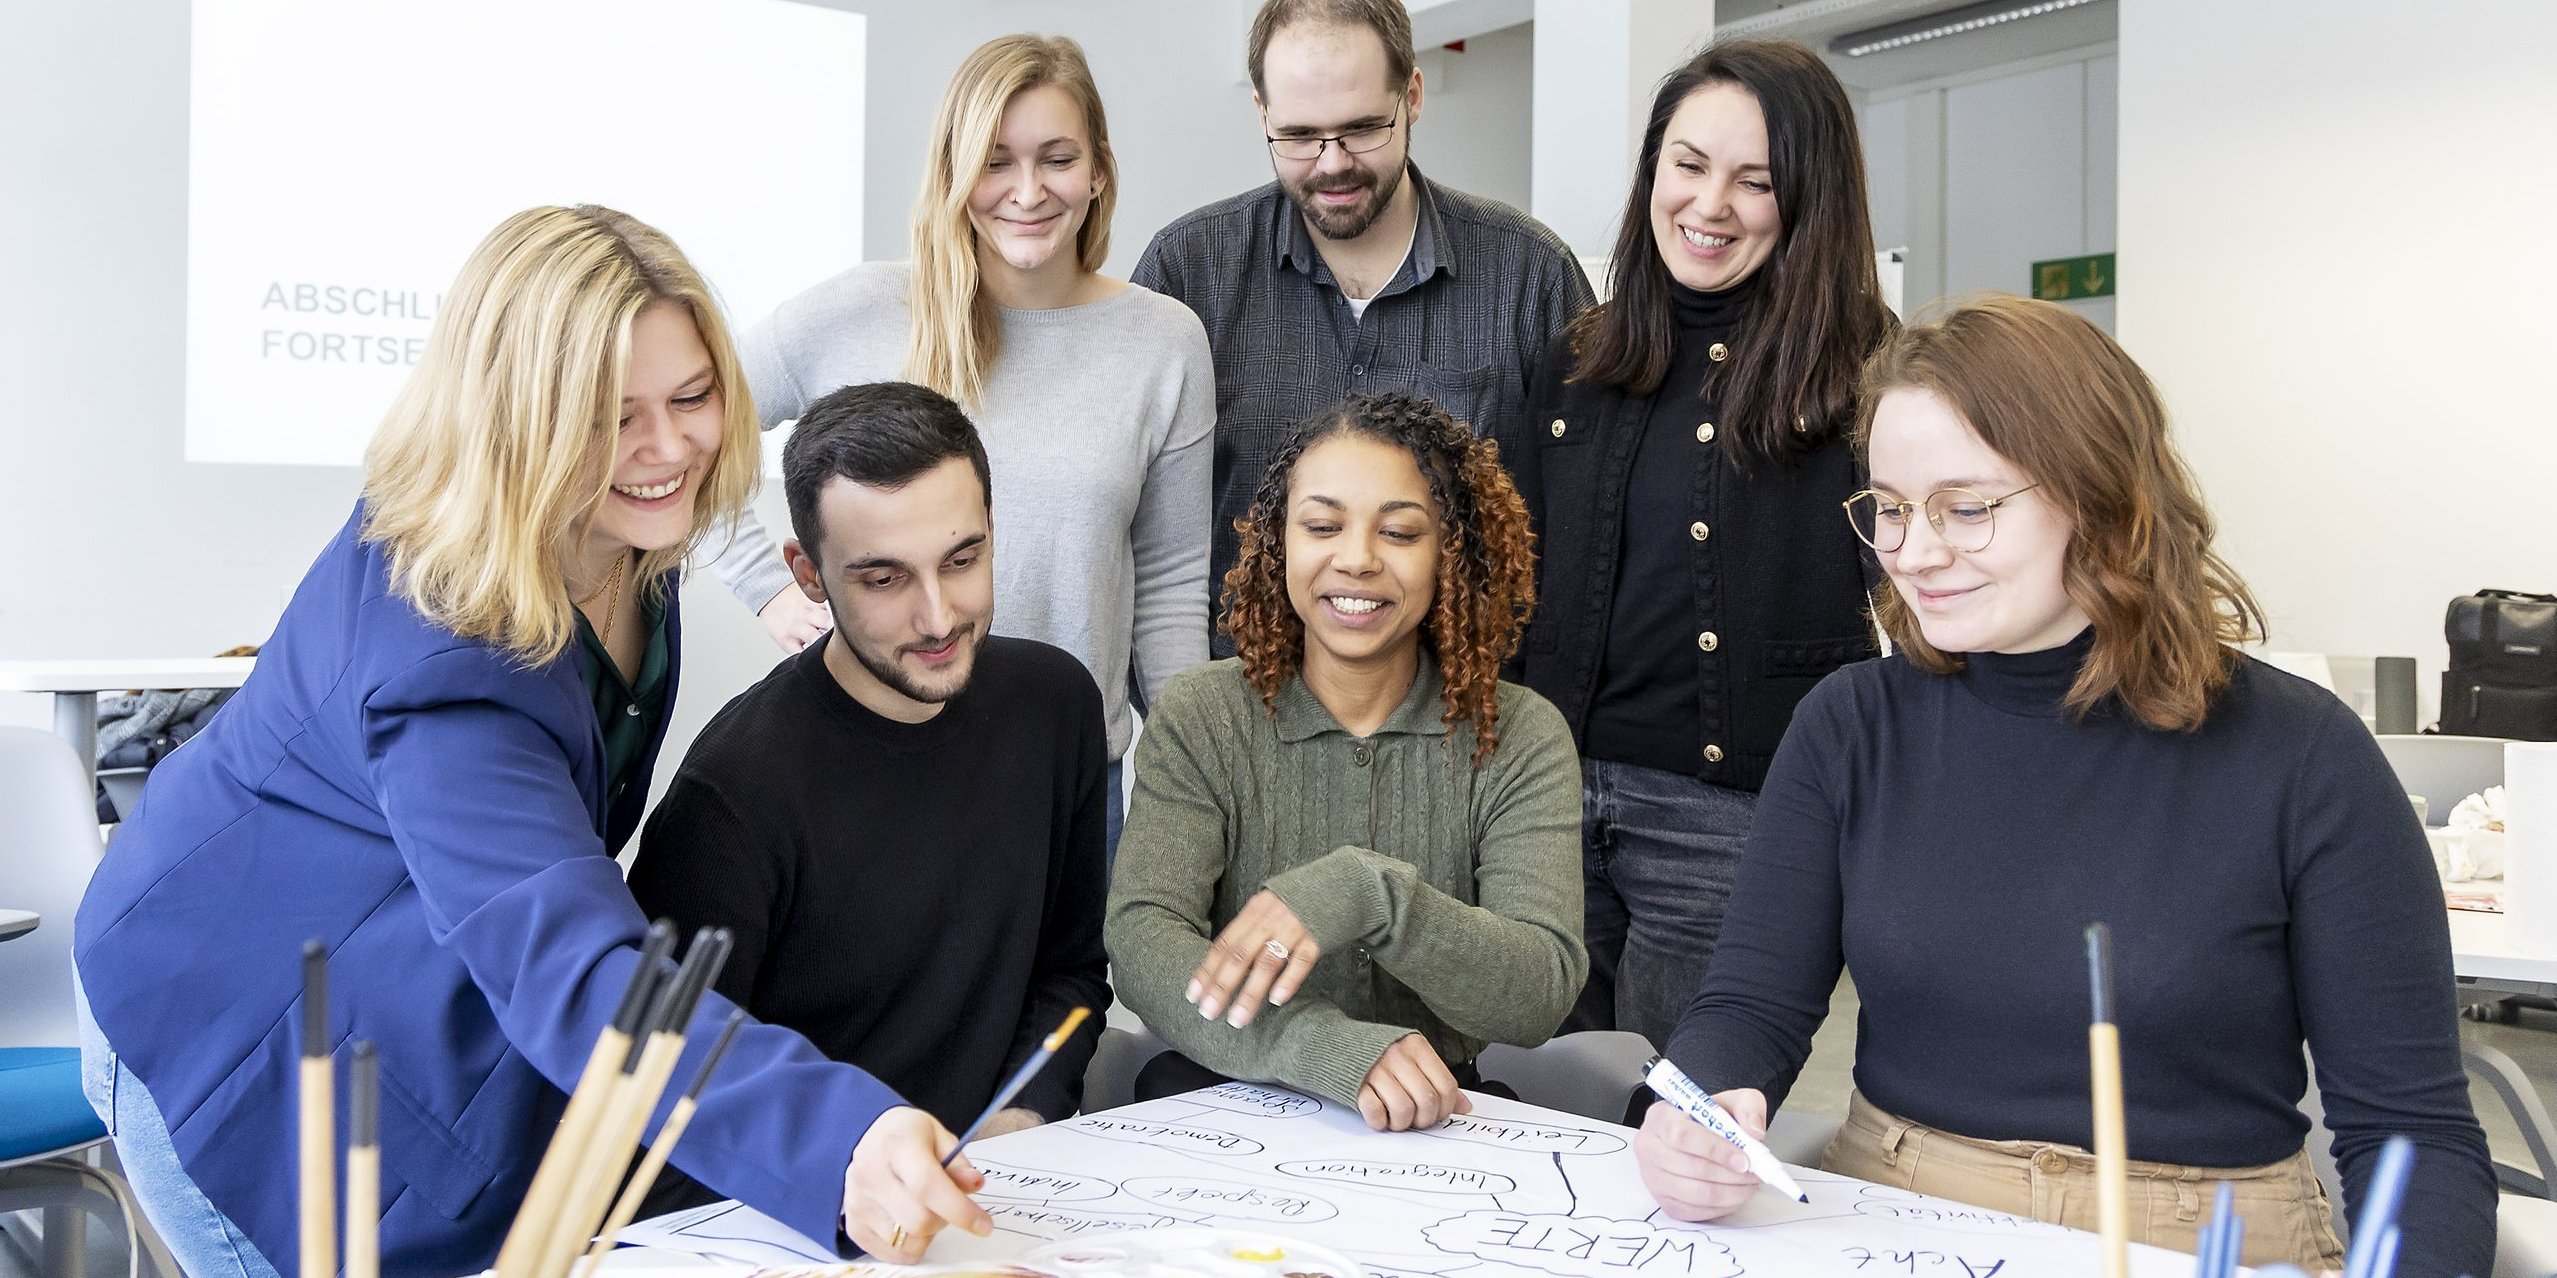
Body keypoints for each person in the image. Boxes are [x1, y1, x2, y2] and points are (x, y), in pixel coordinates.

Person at [73, 206, 994, 1277]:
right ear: (522, 419)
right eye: (612, 418)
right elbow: (573, 971)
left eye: (692, 397)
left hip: (391, 986)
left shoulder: (625, 530)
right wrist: (837, 1138)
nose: (667, 450)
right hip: (219, 1017)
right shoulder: (443, 642)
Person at [1633, 296, 2496, 1278]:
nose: (1913, 551)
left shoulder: (2303, 757)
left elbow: (2411, 1130)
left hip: (2201, 1235)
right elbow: (1750, 1008)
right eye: (1887, 508)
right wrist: (1699, 1111)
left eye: (1966, 508)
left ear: (2098, 494)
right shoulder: (1851, 724)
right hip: (1898, 1211)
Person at [704, 34, 1213, 850]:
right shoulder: (854, 310)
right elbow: (684, 440)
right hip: (873, 763)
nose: (1027, 190)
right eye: (994, 160)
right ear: (953, 172)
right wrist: (767, 588)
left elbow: (1170, 581)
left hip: (1071, 780)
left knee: (1065, 986)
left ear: (1098, 172)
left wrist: (1193, 771)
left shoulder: (1163, 340)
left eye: (1056, 158)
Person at [628, 381, 1109, 1209]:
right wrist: (851, 1186)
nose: (937, 618)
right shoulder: (734, 793)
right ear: (807, 575)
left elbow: (1068, 975)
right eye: (884, 579)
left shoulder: (1055, 705)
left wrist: (1022, 1114)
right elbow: (665, 1109)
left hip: (998, 1197)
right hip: (800, 1217)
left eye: (962, 560)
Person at [1519, 41, 1895, 1049]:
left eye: (1755, 180)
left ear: (1807, 198)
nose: (1710, 203)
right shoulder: (1577, 359)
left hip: (1729, 817)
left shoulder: (1863, 369)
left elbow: (1915, 591)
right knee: (1536, 1105)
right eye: (1688, 166)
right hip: (1548, 804)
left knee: (1676, 1114)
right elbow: (1506, 576)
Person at [1105, 392, 1585, 1132]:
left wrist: (1373, 896)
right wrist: (1321, 1046)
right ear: (1277, 542)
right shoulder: (1203, 715)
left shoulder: (1520, 735)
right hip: (1224, 1095)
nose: (1356, 560)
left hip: (1433, 1112)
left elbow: (1537, 995)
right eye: (1322, 526)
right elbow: (1143, 942)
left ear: (1451, 553)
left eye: (1398, 532)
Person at [1132, 0, 1592, 652]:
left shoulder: (1528, 274)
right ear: (1262, 115)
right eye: (1297, 136)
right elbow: (1138, 534)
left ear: (1412, 95)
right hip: (1239, 723)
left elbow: (1590, 527)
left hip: (1470, 721)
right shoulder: (1186, 272)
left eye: (1361, 128)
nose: (1330, 164)